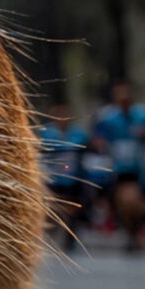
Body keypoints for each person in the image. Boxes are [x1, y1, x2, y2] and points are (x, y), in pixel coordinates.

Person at [94, 81, 145, 252]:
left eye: (126, 94)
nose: (124, 98)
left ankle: (135, 231)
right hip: (117, 169)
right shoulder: (107, 118)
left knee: (131, 202)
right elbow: (98, 139)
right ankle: (132, 233)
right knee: (125, 202)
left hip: (139, 168)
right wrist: (102, 148)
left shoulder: (143, 115)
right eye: (119, 95)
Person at [39, 103, 89, 252]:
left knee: (73, 209)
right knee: (51, 208)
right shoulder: (46, 134)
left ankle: (70, 238)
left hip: (73, 179)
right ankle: (48, 236)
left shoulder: (79, 135)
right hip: (53, 178)